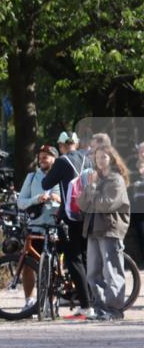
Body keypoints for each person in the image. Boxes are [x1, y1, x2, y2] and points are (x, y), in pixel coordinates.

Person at [78, 144, 131, 320]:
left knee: (112, 271)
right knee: (93, 272)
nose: (100, 161)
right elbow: (82, 204)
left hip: (110, 230)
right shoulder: (96, 180)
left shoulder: (116, 180)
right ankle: (100, 308)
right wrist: (91, 187)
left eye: (104, 157)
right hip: (93, 230)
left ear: (112, 159)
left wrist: (92, 189)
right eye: (97, 157)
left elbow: (105, 204)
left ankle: (114, 310)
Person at [42, 133, 92, 314]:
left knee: (73, 260)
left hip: (71, 217)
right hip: (88, 215)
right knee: (86, 258)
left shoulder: (62, 161)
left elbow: (46, 183)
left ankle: (86, 305)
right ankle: (92, 301)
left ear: (61, 145)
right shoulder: (88, 159)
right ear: (77, 143)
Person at [15, 145, 61, 311]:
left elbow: (71, 200)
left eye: (46, 156)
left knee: (55, 266)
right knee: (29, 265)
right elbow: (21, 203)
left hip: (55, 227)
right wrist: (36, 199)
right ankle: (29, 301)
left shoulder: (62, 176)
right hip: (36, 227)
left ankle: (51, 301)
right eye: (40, 156)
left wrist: (57, 199)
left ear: (54, 159)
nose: (42, 159)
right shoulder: (32, 177)